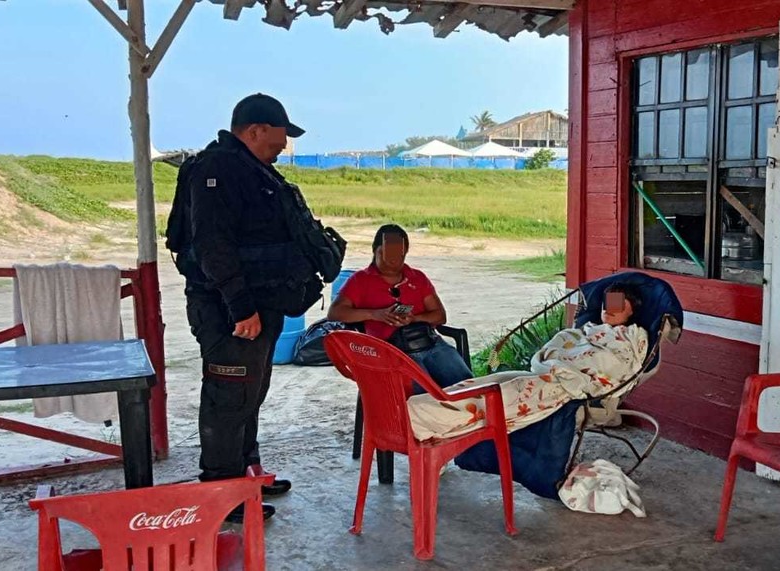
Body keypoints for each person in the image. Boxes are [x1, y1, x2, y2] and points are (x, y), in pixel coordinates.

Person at [168, 93, 311, 523]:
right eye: (278, 139)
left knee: (251, 392)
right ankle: (221, 492)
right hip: (230, 311)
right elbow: (212, 246)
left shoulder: (250, 169)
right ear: (255, 131)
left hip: (258, 306)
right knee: (227, 398)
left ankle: (247, 473)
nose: (284, 148)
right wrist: (240, 308)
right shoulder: (216, 170)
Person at [406, 283, 649, 442]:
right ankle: (416, 408)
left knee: (496, 398)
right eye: (609, 301)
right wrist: (554, 362)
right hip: (545, 373)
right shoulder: (585, 330)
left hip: (565, 385)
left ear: (632, 310)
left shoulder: (630, 337)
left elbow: (616, 365)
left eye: (619, 302)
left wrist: (567, 369)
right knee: (489, 381)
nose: (610, 307)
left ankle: (419, 417)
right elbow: (557, 346)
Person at [327, 224, 474, 388]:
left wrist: (414, 318)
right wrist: (375, 314)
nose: (392, 260)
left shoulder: (417, 278)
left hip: (429, 343)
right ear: (375, 250)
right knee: (421, 392)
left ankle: (462, 413)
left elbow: (440, 315)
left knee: (464, 383)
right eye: (386, 253)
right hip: (391, 350)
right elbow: (335, 313)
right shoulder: (360, 280)